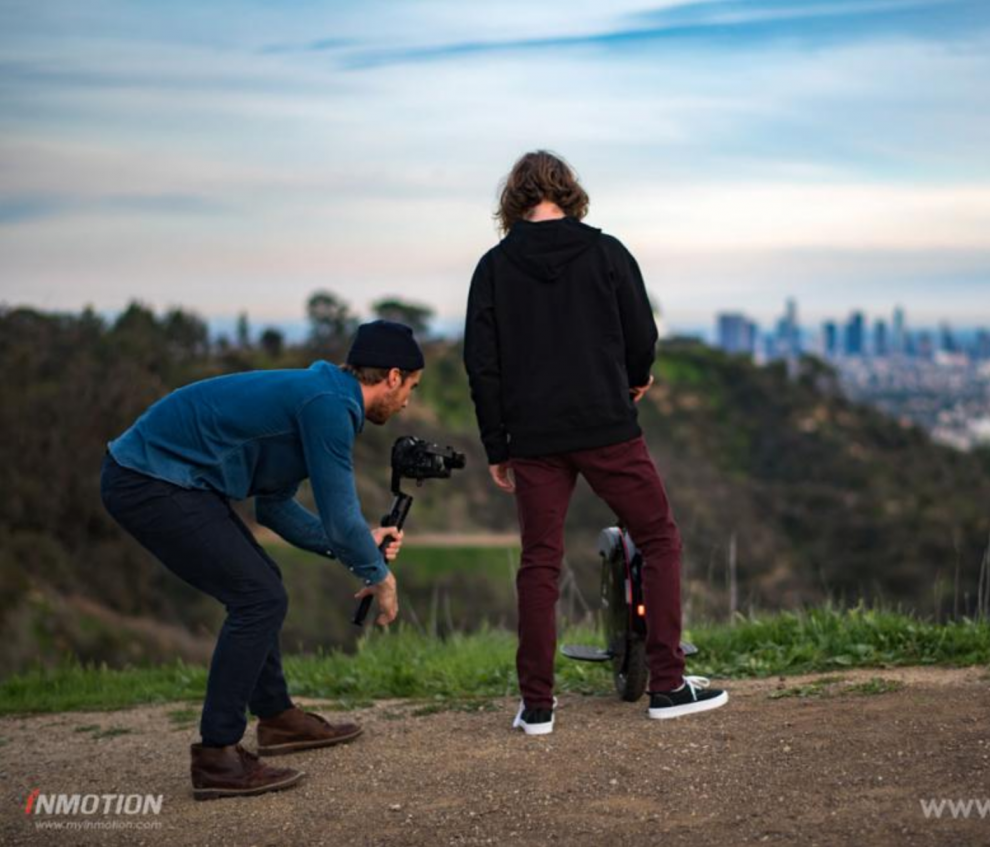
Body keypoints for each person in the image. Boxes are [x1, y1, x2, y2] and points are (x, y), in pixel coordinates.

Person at [463, 150, 728, 736]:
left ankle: (536, 706)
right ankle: (667, 684)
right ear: (569, 191)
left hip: (533, 437)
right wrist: (635, 378)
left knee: (539, 561)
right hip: (607, 426)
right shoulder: (607, 252)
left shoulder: (493, 267)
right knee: (659, 538)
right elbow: (642, 331)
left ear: (514, 200)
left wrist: (496, 445)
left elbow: (482, 365)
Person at [100, 320, 423, 799]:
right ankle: (217, 758)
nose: (408, 402)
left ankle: (276, 719)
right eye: (411, 388)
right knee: (258, 596)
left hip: (173, 481)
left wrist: (360, 544)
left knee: (262, 585)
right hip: (149, 480)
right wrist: (377, 572)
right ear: (392, 376)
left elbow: (275, 509)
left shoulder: (320, 396)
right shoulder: (329, 405)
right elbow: (340, 518)